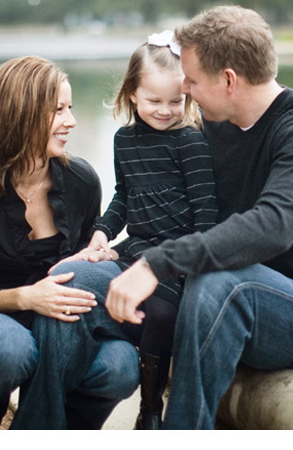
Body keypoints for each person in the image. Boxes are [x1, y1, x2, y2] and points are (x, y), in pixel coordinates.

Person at [16, 5, 293, 429]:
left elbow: (273, 226)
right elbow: (156, 200)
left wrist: (158, 262)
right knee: (70, 281)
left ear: (228, 80)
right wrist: (111, 246)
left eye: (191, 81)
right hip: (201, 295)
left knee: (220, 281)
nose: (185, 92)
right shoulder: (208, 126)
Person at [0, 56, 139, 430]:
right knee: (8, 350)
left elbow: (82, 274)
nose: (71, 120)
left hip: (63, 325)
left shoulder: (82, 180)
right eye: (58, 111)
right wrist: (28, 297)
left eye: (70, 108)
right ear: (19, 115)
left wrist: (102, 256)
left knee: (121, 365)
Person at [87, 30, 217, 428]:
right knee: (85, 281)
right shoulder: (124, 141)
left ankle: (149, 410)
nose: (165, 110)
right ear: (131, 94)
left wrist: (191, 265)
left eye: (176, 101)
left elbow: (206, 214)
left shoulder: (189, 142)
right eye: (153, 101)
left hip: (177, 253)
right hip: (136, 246)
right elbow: (123, 197)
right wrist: (101, 232)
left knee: (159, 313)